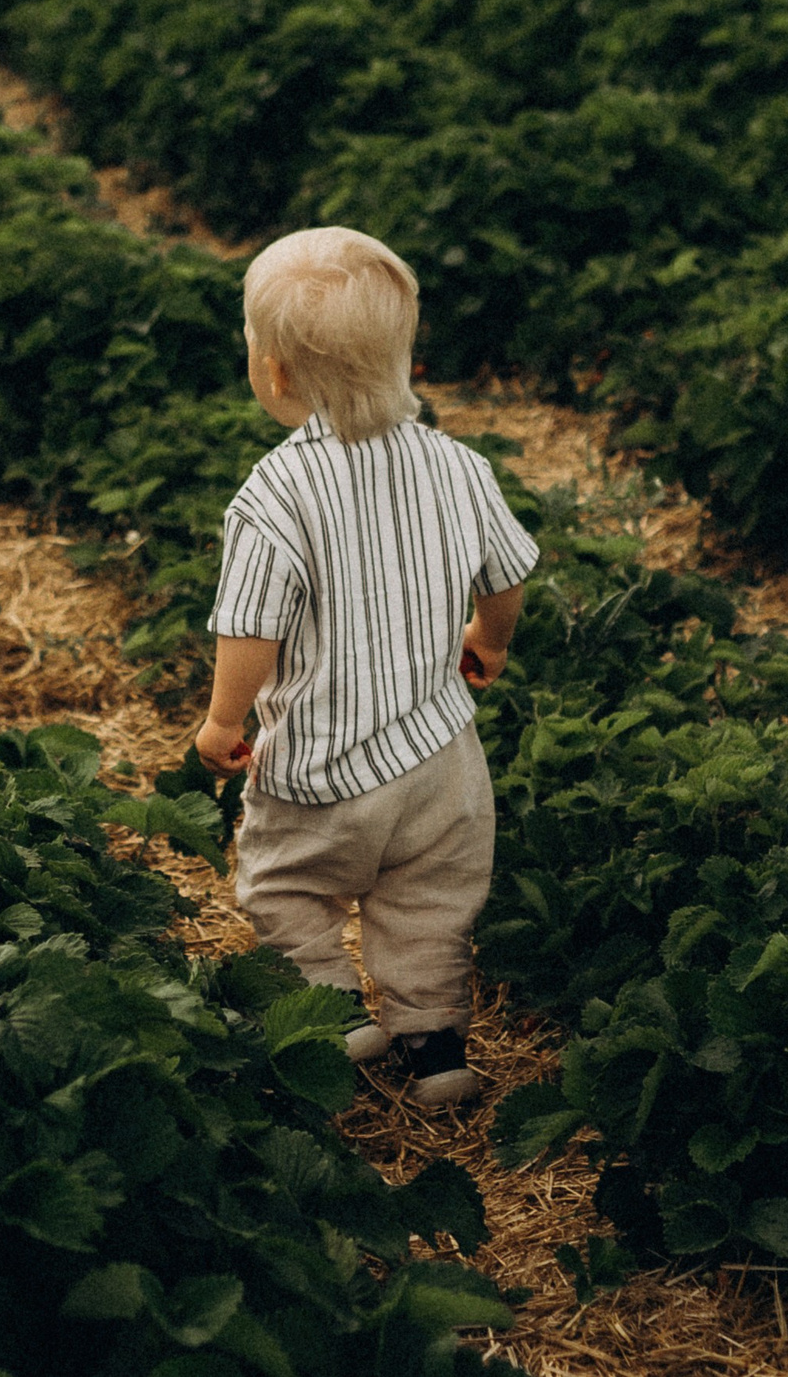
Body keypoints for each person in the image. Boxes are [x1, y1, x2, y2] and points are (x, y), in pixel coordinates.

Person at [196, 227, 535, 1108]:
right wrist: (488, 641)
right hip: (439, 762)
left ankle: (332, 1007)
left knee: (284, 884)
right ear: (405, 351)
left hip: (321, 768)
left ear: (272, 373)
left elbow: (250, 631)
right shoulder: (460, 468)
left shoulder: (274, 495)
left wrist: (224, 721)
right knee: (428, 901)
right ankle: (435, 1046)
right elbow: (508, 574)